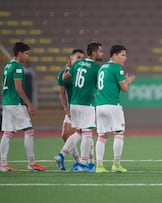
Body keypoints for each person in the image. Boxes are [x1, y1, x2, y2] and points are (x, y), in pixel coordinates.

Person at [55, 42, 103, 172]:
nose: (102, 54)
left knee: (78, 132)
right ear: (93, 53)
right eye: (100, 51)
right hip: (86, 104)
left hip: (74, 104)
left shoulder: (77, 64)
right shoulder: (96, 68)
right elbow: (101, 86)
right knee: (87, 133)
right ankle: (82, 164)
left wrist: (67, 68)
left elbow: (65, 77)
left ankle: (62, 154)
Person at [0, 42, 48, 172]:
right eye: (26, 53)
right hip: (16, 103)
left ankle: (3, 164)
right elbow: (19, 89)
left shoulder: (7, 66)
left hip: (7, 103)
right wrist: (29, 104)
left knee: (7, 132)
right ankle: (32, 162)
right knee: (29, 131)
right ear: (20, 53)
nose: (28, 56)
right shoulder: (18, 67)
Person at [95, 45, 135, 173]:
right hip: (112, 105)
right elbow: (124, 88)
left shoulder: (102, 67)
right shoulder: (117, 68)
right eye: (123, 55)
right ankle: (116, 164)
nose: (125, 58)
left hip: (100, 106)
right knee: (118, 134)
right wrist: (127, 81)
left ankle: (99, 166)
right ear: (114, 55)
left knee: (102, 136)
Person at [57, 49, 85, 168]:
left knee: (84, 133)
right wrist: (65, 109)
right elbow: (62, 93)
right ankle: (78, 160)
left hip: (84, 107)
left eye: (82, 58)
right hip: (72, 108)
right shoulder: (63, 75)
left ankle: (86, 161)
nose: (81, 60)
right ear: (70, 60)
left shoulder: (85, 73)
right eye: (78, 57)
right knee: (65, 135)